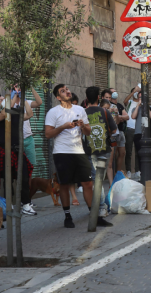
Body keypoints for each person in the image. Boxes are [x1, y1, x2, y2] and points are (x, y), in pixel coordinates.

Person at [45, 84, 95, 228]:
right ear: (58, 97)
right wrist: (63, 127)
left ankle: (92, 212)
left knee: (88, 183)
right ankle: (67, 216)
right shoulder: (53, 112)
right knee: (65, 185)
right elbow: (48, 134)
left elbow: (88, 132)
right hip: (62, 153)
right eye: (63, 91)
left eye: (67, 89)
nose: (67, 91)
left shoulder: (80, 110)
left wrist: (83, 126)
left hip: (79, 151)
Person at [0, 93, 36, 216]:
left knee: (25, 178)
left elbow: (30, 114)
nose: (5, 101)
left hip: (19, 150)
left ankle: (26, 204)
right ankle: (9, 204)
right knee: (8, 180)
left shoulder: (15, 114)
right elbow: (5, 112)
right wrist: (13, 95)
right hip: (6, 151)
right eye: (1, 100)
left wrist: (23, 98)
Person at [84, 87, 116, 226]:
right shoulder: (105, 111)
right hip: (104, 150)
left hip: (89, 151)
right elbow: (114, 130)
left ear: (86, 98)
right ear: (98, 97)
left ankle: (99, 207)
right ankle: (101, 207)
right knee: (100, 180)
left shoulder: (82, 113)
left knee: (96, 179)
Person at [131, 91, 151, 181]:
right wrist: (138, 106)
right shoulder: (135, 108)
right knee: (140, 154)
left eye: (143, 98)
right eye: (140, 98)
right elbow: (133, 116)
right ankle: (142, 173)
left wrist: (146, 107)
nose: (141, 100)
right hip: (138, 134)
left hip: (149, 134)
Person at [11, 85, 43, 167]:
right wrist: (14, 95)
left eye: (19, 87)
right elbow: (9, 108)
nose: (18, 89)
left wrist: (31, 87)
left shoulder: (27, 102)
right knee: (16, 166)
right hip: (16, 141)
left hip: (28, 138)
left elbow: (39, 102)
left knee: (31, 165)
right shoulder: (8, 103)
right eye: (16, 87)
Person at [108, 88, 129, 175]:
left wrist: (119, 117)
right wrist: (120, 117)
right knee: (113, 153)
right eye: (112, 92)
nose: (115, 93)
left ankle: (118, 172)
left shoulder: (120, 105)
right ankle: (112, 173)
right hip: (113, 132)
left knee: (122, 152)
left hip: (121, 131)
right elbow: (114, 119)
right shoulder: (109, 105)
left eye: (115, 91)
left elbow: (127, 117)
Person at [123, 86, 141, 179]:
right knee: (128, 150)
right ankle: (128, 170)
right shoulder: (129, 102)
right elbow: (125, 101)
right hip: (129, 128)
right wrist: (133, 91)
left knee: (138, 151)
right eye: (136, 92)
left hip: (138, 129)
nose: (137, 94)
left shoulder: (141, 103)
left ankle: (138, 170)